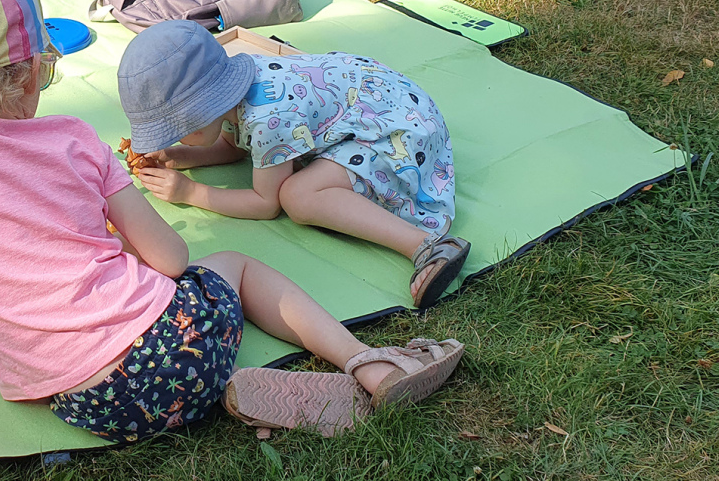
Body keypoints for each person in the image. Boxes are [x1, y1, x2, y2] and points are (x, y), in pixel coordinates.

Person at [0, 0, 465, 441]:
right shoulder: (75, 141)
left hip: (86, 406)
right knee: (234, 267)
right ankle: (363, 362)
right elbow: (171, 261)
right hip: (173, 354)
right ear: (34, 71)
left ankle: (231, 394)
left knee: (143, 352)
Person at [117, 20, 470, 311]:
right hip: (384, 103)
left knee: (298, 196)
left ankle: (426, 245)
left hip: (399, 133)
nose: (170, 141)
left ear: (199, 117)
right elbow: (234, 146)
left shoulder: (269, 118)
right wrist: (184, 156)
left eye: (175, 133)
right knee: (297, 186)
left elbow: (265, 204)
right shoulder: (234, 86)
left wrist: (190, 191)